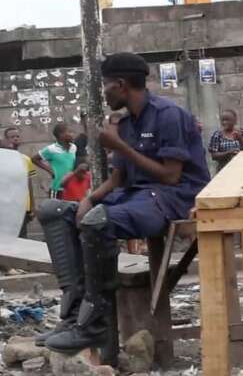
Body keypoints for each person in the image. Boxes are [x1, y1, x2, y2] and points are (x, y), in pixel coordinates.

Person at [36, 52, 210, 355]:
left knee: (97, 222)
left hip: (173, 196)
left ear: (120, 84)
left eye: (105, 86)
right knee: (54, 212)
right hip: (137, 195)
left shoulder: (168, 115)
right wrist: (88, 199)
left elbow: (170, 176)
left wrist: (119, 146)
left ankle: (94, 324)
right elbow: (118, 180)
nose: (104, 93)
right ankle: (75, 315)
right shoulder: (127, 123)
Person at [5, 127, 36, 238]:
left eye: (17, 136)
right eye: (12, 137)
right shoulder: (3, 158)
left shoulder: (26, 159)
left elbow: (29, 184)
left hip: (23, 205)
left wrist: (32, 206)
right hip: (8, 204)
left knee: (22, 237)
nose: (15, 139)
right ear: (6, 139)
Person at [32, 123, 77, 199]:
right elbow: (34, 159)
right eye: (69, 132)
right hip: (57, 188)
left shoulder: (73, 147)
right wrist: (50, 170)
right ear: (60, 134)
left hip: (71, 188)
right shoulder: (51, 149)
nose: (72, 134)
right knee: (55, 209)